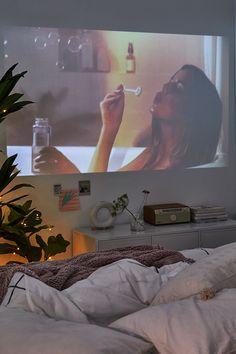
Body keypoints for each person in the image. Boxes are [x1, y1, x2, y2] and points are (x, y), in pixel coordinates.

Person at [34, 64, 222, 174]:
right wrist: (109, 127)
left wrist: (67, 169)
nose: (165, 85)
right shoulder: (152, 154)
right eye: (170, 80)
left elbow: (101, 200)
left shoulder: (178, 170)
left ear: (192, 114)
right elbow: (100, 192)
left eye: (178, 87)